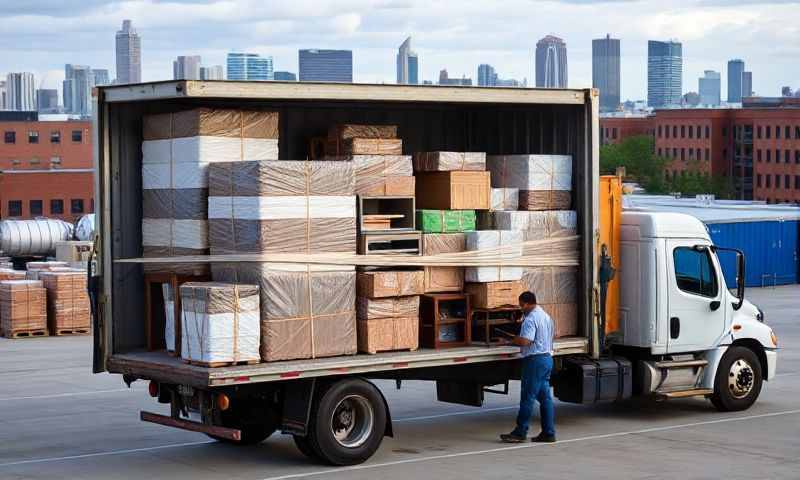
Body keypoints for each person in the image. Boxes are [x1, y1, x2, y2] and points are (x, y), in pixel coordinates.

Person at [499, 291, 556, 443]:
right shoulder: (546, 316)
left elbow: (525, 341)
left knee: (527, 398)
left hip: (534, 361)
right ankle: (548, 432)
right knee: (545, 398)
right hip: (547, 359)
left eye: (520, 305)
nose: (520, 308)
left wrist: (509, 341)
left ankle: (520, 432)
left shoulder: (530, 319)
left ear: (525, 303)